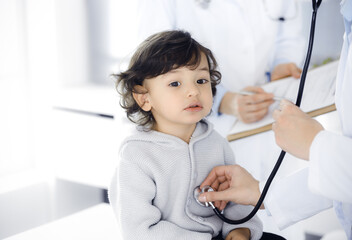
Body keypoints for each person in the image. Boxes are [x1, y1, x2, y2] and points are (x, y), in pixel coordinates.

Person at [197, 0, 352, 238]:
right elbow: (154, 64)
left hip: (273, 120)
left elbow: (288, 36)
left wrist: (316, 145)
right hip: (220, 125)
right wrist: (221, 100)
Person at [109, 30, 263, 240]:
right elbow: (138, 230)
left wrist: (240, 231)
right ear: (144, 99)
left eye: (201, 80)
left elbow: (235, 203)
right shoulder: (137, 155)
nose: (193, 91)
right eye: (175, 83)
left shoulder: (217, 143)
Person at [137, 0, 305, 124]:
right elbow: (154, 64)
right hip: (203, 122)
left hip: (268, 109)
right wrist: (222, 100)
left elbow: (288, 31)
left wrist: (281, 63)